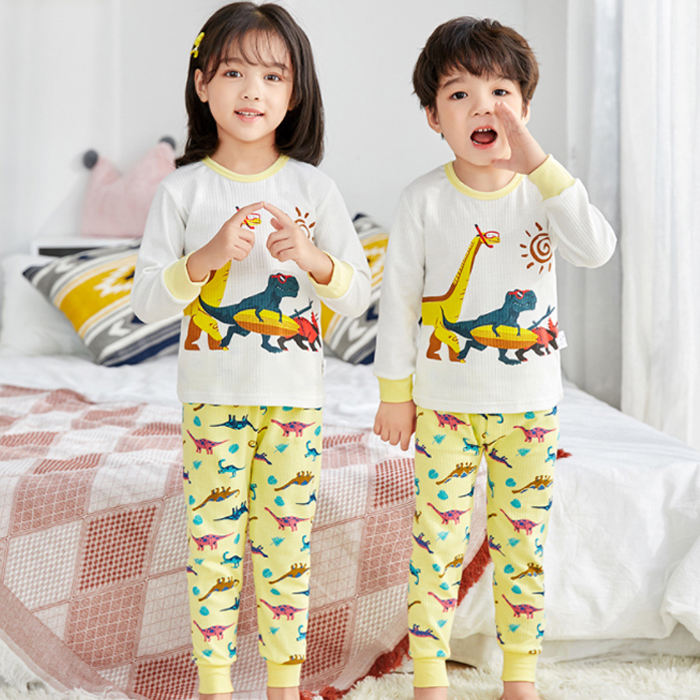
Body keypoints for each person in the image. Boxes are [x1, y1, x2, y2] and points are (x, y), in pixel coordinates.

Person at [131, 4, 370, 699]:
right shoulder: (182, 190)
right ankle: (214, 686)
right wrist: (205, 256)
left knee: (286, 548)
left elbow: (357, 296)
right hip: (212, 400)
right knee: (213, 548)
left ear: (294, 93)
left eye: (273, 75)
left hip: (295, 403)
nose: (252, 91)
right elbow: (147, 302)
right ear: (202, 82)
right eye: (234, 72)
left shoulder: (314, 189)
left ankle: (283, 686)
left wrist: (314, 260)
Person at [373, 17, 615, 700]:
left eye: (501, 92)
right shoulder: (423, 200)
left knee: (522, 547)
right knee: (437, 544)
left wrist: (542, 165)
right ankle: (428, 675)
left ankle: (520, 675)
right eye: (460, 94)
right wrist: (395, 393)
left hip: (529, 410)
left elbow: (596, 248)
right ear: (433, 117)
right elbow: (400, 304)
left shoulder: (545, 191)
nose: (483, 107)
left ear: (524, 109)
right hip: (444, 409)